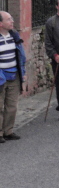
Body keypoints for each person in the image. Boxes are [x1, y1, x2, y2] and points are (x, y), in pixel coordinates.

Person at [0, 11, 26, 143]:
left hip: (14, 75)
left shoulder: (14, 36)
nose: (12, 21)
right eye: (9, 19)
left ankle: (8, 131)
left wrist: (23, 72)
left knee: (12, 105)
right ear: (0, 24)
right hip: (1, 76)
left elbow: (22, 56)